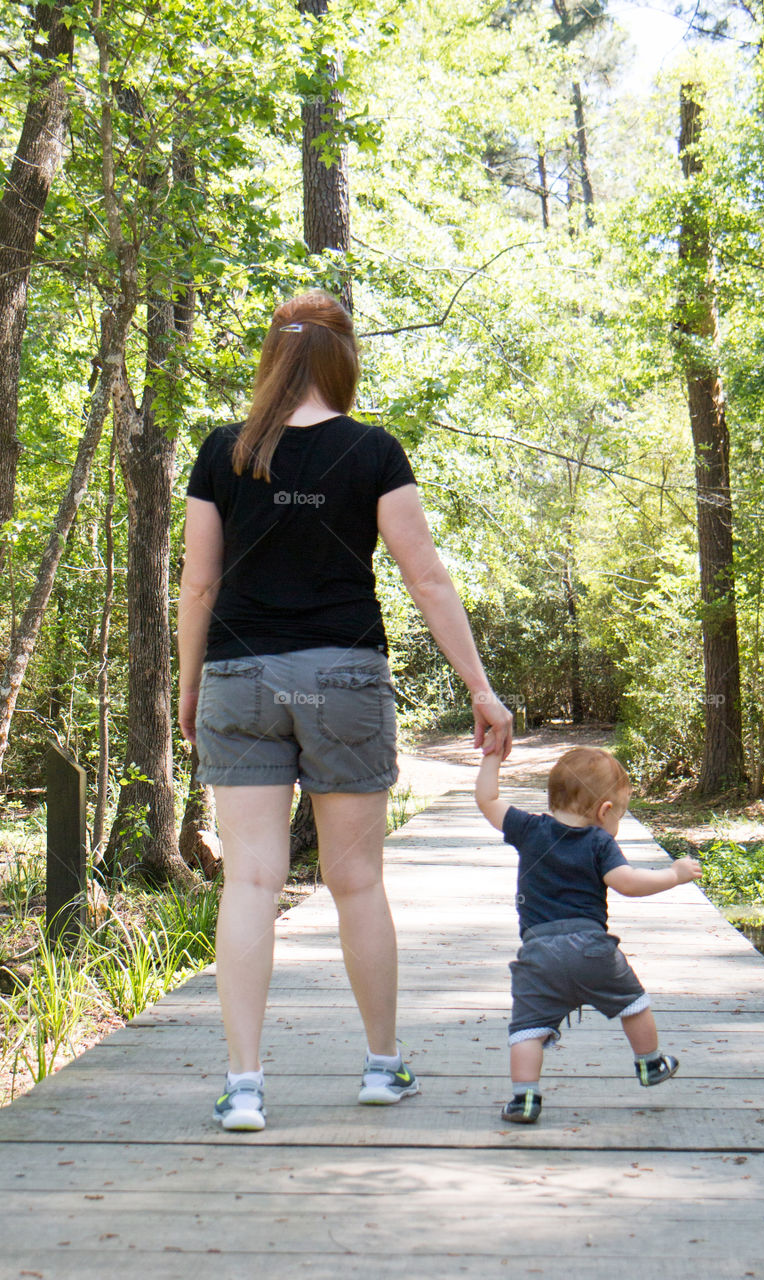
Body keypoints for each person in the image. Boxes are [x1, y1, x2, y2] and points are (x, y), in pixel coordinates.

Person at [178, 290, 513, 1131]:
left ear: (272, 355)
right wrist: (478, 686)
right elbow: (425, 576)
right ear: (342, 357)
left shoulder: (223, 453)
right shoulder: (371, 452)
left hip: (239, 678)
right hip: (344, 683)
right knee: (356, 881)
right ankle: (379, 1068)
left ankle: (245, 1087)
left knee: (250, 880)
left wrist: (187, 686)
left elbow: (198, 583)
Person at [475, 739, 702, 1124]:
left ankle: (524, 1098)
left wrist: (492, 756)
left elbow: (486, 800)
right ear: (605, 810)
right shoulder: (599, 842)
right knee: (634, 1004)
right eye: (621, 816)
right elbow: (628, 883)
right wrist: (675, 875)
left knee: (528, 1029)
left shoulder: (529, 829)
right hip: (593, 950)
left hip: (538, 956)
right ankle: (650, 1064)